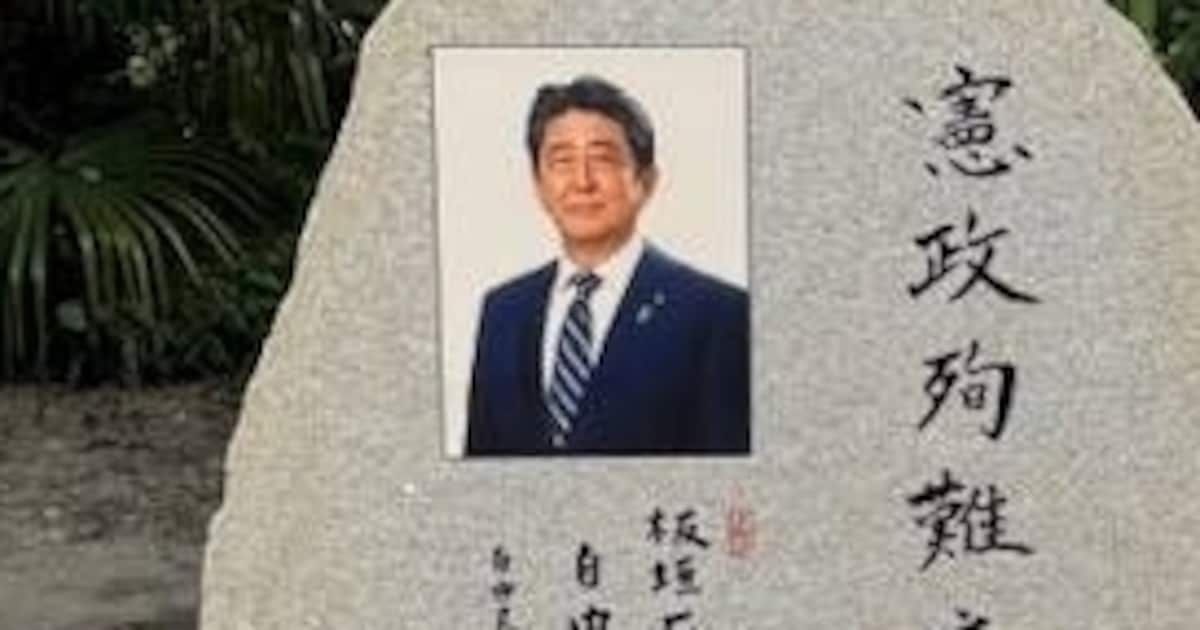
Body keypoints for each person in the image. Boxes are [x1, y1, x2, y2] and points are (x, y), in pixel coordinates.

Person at [465, 75, 749, 456]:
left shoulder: (718, 314)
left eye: (602, 159)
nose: (582, 181)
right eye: (562, 161)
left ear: (645, 182)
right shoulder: (503, 310)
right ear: (538, 185)